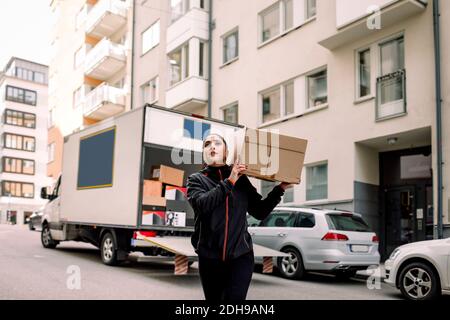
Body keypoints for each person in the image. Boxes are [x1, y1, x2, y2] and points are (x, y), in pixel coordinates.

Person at [186, 133, 291, 301]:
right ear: (204, 154)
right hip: (210, 258)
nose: (212, 146)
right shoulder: (196, 180)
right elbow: (202, 205)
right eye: (207, 144)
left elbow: (259, 211)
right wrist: (230, 181)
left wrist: (280, 189)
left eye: (217, 143)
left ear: (227, 153)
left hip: (240, 256)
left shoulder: (241, 181)